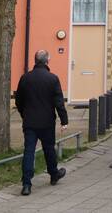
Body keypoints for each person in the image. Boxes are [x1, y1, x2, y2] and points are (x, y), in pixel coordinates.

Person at [15, 50, 69, 196]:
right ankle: (53, 174)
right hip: (47, 122)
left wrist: (24, 114)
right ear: (47, 61)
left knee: (29, 151)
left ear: (35, 60)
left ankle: (26, 184)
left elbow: (18, 100)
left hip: (30, 122)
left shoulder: (25, 78)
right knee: (49, 149)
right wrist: (64, 120)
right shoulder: (52, 79)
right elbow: (59, 102)